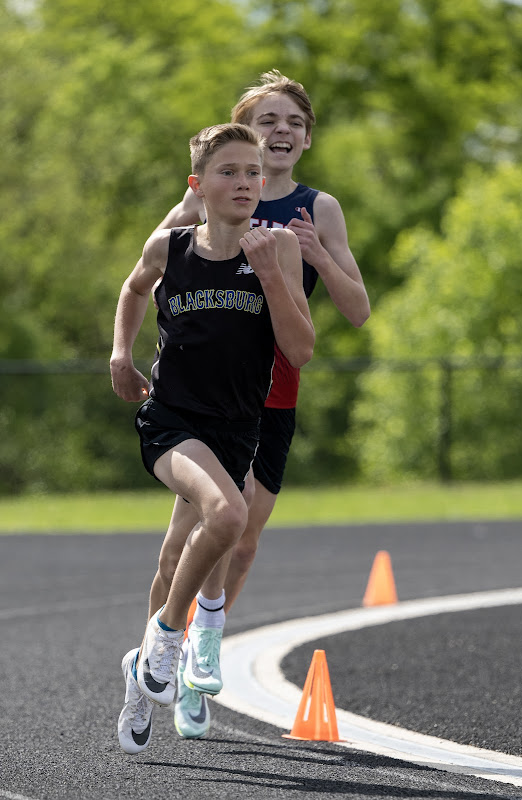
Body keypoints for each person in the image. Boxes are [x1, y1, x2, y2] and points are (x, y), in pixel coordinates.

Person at [154, 71, 371, 740]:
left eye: (293, 122)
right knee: (181, 546)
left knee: (243, 541)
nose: (281, 131)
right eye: (267, 120)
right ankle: (164, 656)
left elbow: (357, 311)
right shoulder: (216, 193)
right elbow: (151, 267)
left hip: (274, 391)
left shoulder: (318, 208)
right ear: (243, 132)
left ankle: (196, 656)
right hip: (203, 392)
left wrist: (316, 257)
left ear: (307, 138)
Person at [110, 122, 315, 755]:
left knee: (176, 557)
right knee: (227, 518)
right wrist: (121, 354)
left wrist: (272, 275)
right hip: (170, 420)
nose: (246, 182)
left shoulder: (277, 248)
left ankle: (140, 681)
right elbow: (132, 287)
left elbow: (301, 349)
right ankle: (171, 640)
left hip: (236, 428)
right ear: (198, 185)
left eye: (254, 172)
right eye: (229, 172)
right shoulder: (171, 247)